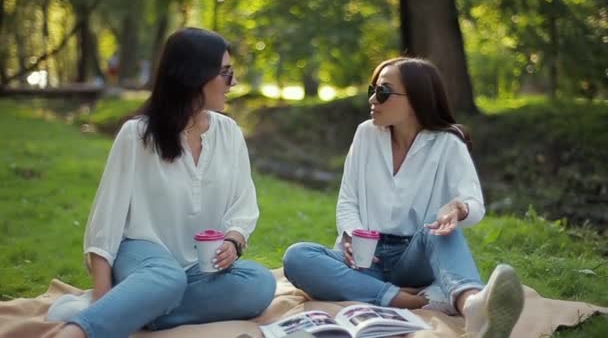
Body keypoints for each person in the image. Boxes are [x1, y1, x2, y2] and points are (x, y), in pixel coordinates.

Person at [55, 28, 276, 338]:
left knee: (260, 283)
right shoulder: (137, 135)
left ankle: (140, 308)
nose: (234, 83)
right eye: (226, 73)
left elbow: (243, 203)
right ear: (194, 75)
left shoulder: (230, 134)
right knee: (166, 278)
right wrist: (101, 297)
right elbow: (106, 222)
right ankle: (82, 330)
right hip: (142, 256)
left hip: (199, 267)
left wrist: (234, 241)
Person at [282, 57, 524, 338]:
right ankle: (411, 300)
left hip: (415, 259)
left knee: (438, 225)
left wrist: (458, 208)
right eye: (373, 90)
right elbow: (348, 200)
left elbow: (474, 203)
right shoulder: (365, 134)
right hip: (364, 261)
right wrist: (352, 234)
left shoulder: (448, 144)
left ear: (416, 99)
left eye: (383, 92)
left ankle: (473, 306)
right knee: (297, 257)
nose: (373, 98)